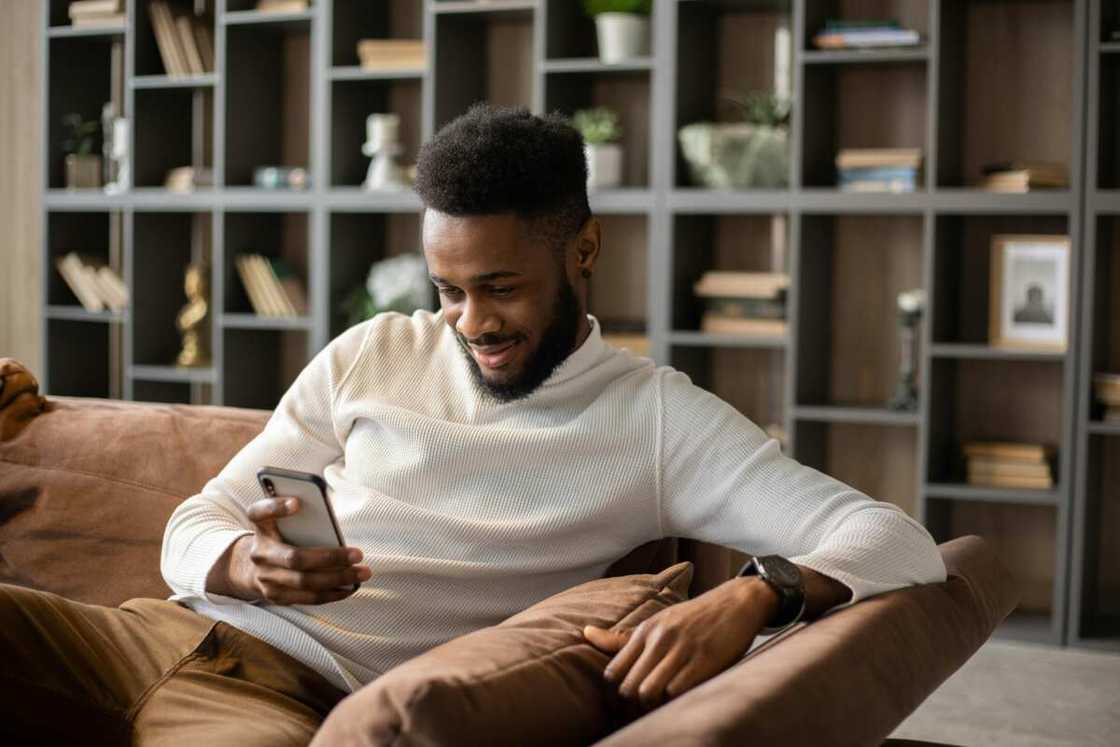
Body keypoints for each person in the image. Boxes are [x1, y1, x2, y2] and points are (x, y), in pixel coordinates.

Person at [0, 105, 946, 744]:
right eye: (448, 288)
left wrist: (757, 593)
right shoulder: (376, 348)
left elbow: (896, 539)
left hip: (292, 698)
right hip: (143, 632)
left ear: (584, 249)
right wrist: (243, 564)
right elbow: (194, 520)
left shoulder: (657, 419)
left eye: (501, 287)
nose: (470, 322)